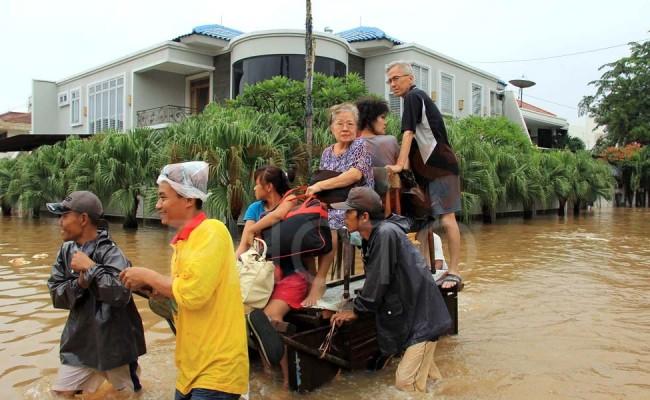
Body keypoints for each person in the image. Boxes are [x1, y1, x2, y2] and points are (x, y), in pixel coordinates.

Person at [120, 161, 248, 400]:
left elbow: (193, 293)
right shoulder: (183, 242)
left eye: (163, 198)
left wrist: (149, 276)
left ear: (188, 199)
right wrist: (157, 290)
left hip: (217, 367)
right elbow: (186, 294)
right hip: (191, 366)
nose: (158, 205)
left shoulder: (213, 231)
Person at [329, 187, 452, 392]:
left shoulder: (385, 234)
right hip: (416, 316)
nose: (343, 216)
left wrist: (356, 309)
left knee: (405, 383)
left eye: (348, 212)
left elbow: (378, 281)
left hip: (421, 320)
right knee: (431, 382)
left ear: (364, 216)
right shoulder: (375, 236)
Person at [46, 191, 145, 396]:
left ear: (83, 219)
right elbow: (56, 294)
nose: (60, 222)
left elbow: (120, 293)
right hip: (81, 343)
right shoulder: (66, 252)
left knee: (129, 395)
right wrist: (81, 281)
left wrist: (91, 268)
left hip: (115, 345)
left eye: (64, 216)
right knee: (60, 393)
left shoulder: (112, 253)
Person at [385, 61, 463, 290]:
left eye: (396, 78)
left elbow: (408, 134)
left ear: (410, 79)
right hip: (426, 170)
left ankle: (455, 270)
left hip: (441, 167)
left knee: (447, 218)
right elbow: (416, 141)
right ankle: (426, 270)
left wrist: (399, 166)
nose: (393, 84)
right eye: (390, 80)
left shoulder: (413, 96)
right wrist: (406, 170)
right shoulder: (414, 100)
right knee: (427, 221)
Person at [305, 102, 374, 306]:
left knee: (331, 223)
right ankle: (312, 276)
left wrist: (319, 186)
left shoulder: (360, 146)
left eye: (350, 124)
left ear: (357, 127)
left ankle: (319, 282)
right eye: (340, 124)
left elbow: (354, 175)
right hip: (330, 202)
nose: (345, 128)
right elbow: (324, 184)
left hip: (356, 202)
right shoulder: (327, 152)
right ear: (331, 127)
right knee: (305, 222)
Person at [235, 165, 290, 259]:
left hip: (289, 261)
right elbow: (244, 245)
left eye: (257, 184)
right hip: (265, 264)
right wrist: (232, 266)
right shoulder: (254, 208)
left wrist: (252, 230)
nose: (254, 188)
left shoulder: (290, 200)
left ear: (269, 187)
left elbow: (278, 215)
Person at [356, 97, 400, 197]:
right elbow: (404, 166)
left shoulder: (351, 145)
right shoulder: (390, 140)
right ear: (370, 119)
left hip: (359, 199)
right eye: (383, 117)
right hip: (389, 200)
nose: (386, 122)